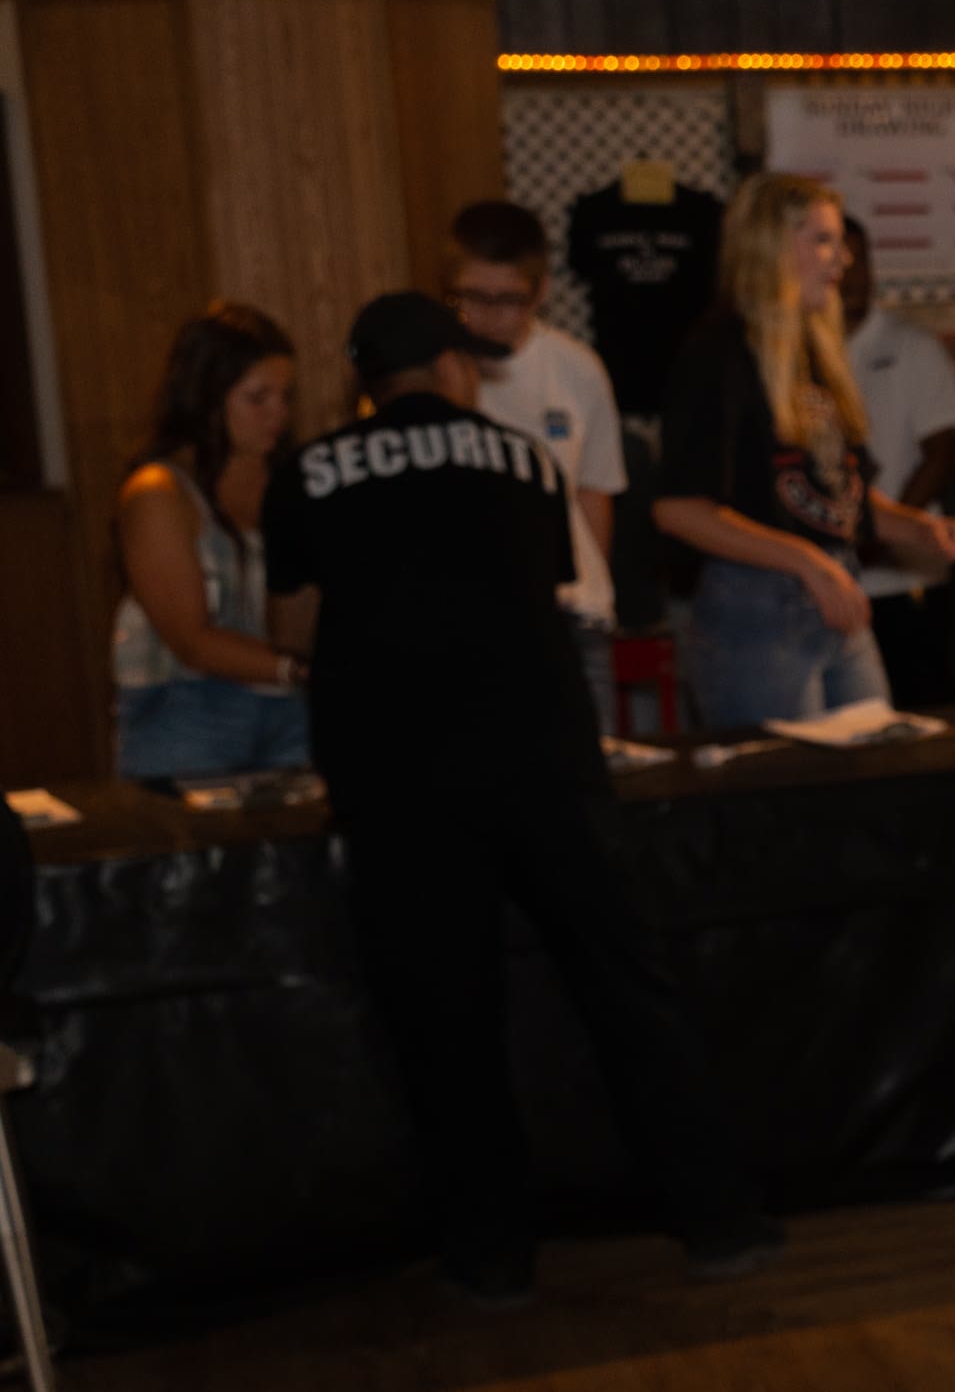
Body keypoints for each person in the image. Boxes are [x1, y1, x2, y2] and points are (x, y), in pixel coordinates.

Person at [262, 292, 778, 1304]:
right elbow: (534, 586)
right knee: (623, 983)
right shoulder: (526, 461)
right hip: (539, 755)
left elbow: (293, 627)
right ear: (452, 368)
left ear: (366, 383)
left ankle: (492, 1254)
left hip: (398, 773)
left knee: (444, 1012)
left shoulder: (307, 472)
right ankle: (719, 1216)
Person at [653, 174, 955, 729]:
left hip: (836, 596)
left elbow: (843, 498)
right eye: (824, 240)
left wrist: (921, 529)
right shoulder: (718, 351)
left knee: (876, 760)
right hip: (757, 611)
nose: (843, 259)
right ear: (772, 246)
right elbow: (679, 510)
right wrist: (806, 561)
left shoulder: (813, 350)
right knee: (790, 780)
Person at [450, 198, 632, 736]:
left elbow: (594, 493)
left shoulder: (577, 369)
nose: (490, 316)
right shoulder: (437, 372)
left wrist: (594, 591)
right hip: (474, 618)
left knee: (588, 770)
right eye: (473, 297)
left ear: (541, 291)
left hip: (571, 614)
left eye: (509, 300)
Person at [110, 304, 311, 780]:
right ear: (206, 398)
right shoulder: (159, 492)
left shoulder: (293, 480)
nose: (279, 413)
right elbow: (192, 640)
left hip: (291, 713)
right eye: (258, 397)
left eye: (286, 396)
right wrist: (302, 669)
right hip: (189, 712)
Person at [839, 217, 955, 709]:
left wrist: (885, 531)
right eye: (842, 262)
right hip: (834, 584)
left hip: (908, 577)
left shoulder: (913, 346)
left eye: (862, 261)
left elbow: (942, 453)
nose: (852, 275)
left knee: (925, 709)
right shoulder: (799, 357)